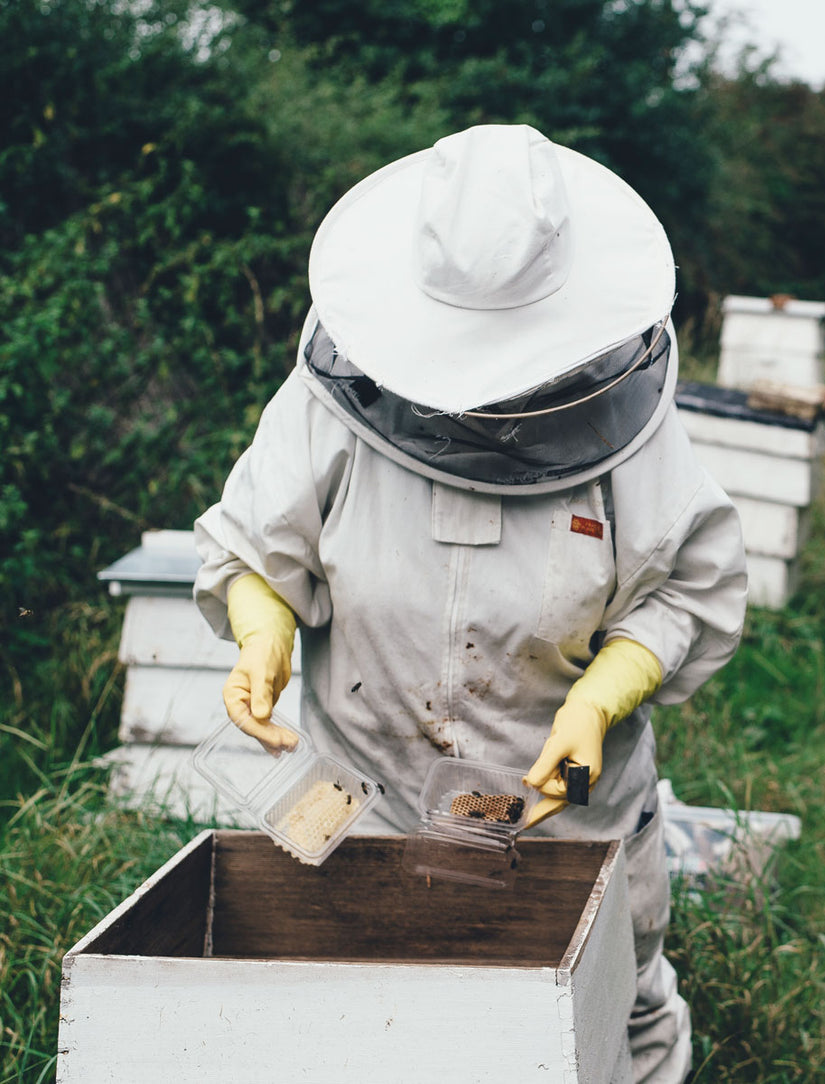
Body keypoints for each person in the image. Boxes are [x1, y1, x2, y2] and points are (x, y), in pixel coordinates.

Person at [192, 123, 748, 1083]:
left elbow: (684, 592)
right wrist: (261, 629)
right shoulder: (331, 400)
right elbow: (259, 545)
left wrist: (598, 700)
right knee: (377, 1028)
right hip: (361, 799)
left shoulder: (634, 433)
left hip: (559, 809)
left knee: (612, 1013)